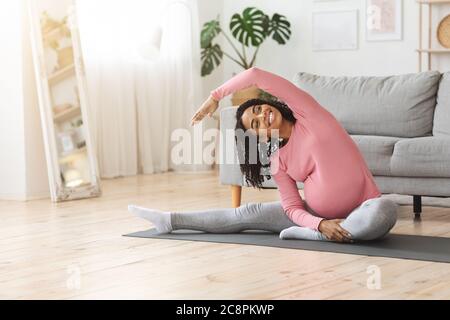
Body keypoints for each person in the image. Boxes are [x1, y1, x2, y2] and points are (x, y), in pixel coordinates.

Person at [129, 67, 398, 242]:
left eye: (258, 109)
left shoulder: (310, 115)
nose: (262, 116)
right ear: (259, 137)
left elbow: (256, 74)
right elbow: (292, 208)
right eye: (255, 124)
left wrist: (216, 96)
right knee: (246, 213)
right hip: (314, 214)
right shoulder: (278, 160)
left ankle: (314, 235)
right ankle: (169, 220)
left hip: (365, 208)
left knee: (387, 210)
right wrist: (318, 222)